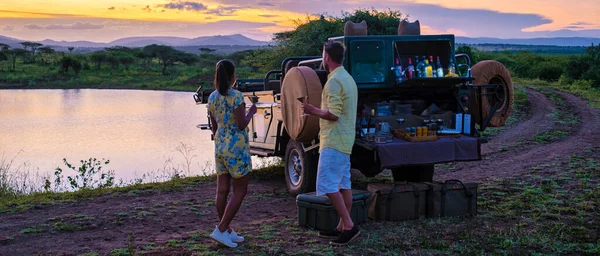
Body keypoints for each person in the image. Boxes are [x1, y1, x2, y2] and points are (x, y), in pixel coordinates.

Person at [301, 41, 359, 246]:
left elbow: (333, 114)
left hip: (334, 140)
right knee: (343, 184)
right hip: (345, 139)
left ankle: (349, 225)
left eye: (323, 54)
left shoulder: (334, 81)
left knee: (327, 184)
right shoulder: (347, 78)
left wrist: (311, 110)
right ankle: (341, 227)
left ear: (327, 57)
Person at [206, 59, 257, 248]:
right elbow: (241, 124)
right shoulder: (236, 96)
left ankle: (226, 230)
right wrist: (251, 111)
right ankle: (221, 229)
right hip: (236, 148)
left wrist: (221, 138)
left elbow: (214, 126)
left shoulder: (212, 97)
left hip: (220, 146)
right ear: (233, 76)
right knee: (240, 191)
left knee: (222, 190)